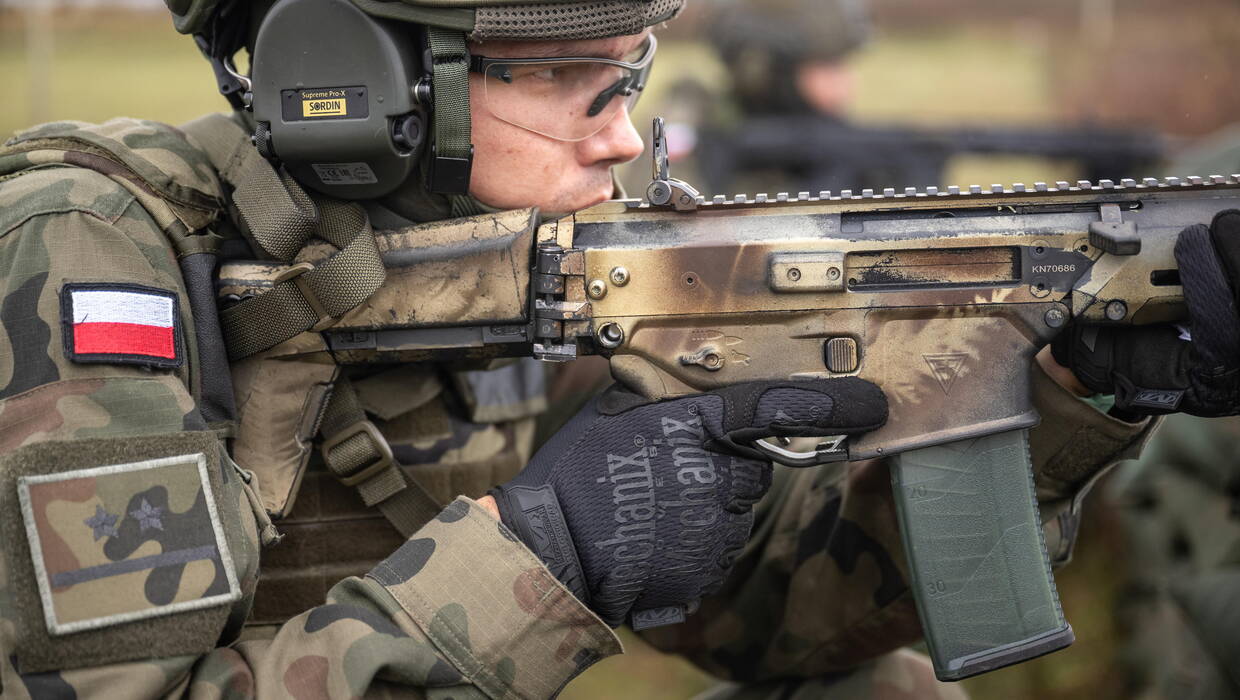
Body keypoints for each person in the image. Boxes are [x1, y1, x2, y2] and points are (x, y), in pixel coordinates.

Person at [0, 2, 1237, 699]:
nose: (627, 135)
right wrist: (545, 559)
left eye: (631, 73)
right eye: (575, 81)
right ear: (359, 84)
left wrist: (1070, 391)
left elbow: (776, 626)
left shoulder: (534, 254)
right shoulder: (93, 252)